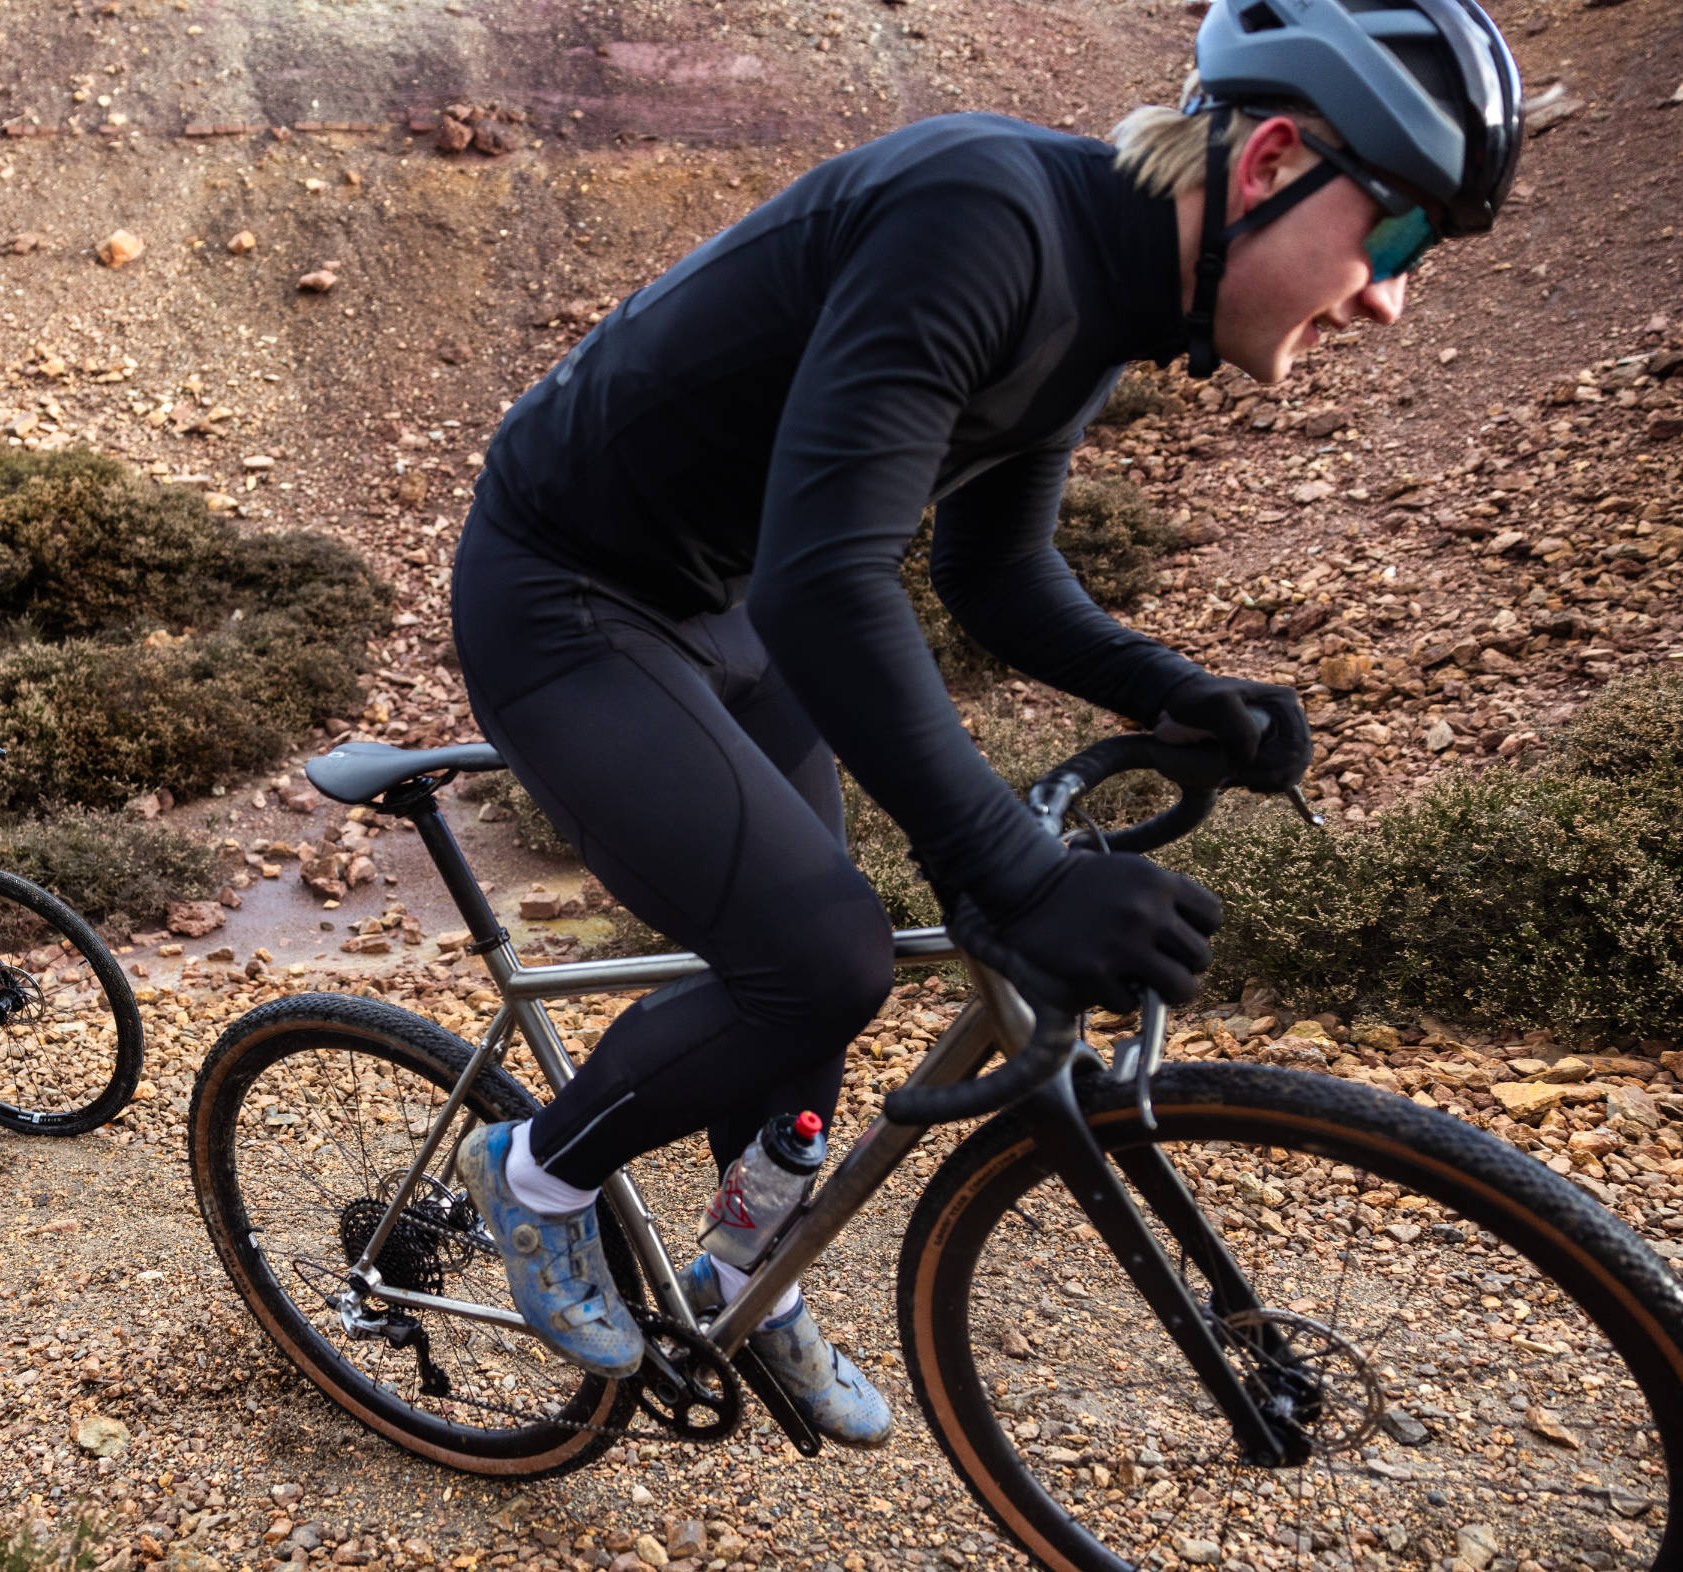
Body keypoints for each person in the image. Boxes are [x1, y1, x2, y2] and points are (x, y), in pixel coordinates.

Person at [450, 0, 1522, 1443]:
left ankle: (739, 1269)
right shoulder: (986, 216)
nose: (1390, 297)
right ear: (1271, 160)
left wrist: (1165, 685)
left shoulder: (1106, 296)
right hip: (564, 589)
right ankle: (537, 1172)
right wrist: (1018, 876)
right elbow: (830, 579)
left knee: (815, 990)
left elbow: (989, 568)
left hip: (726, 598)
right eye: (1395, 242)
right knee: (819, 957)